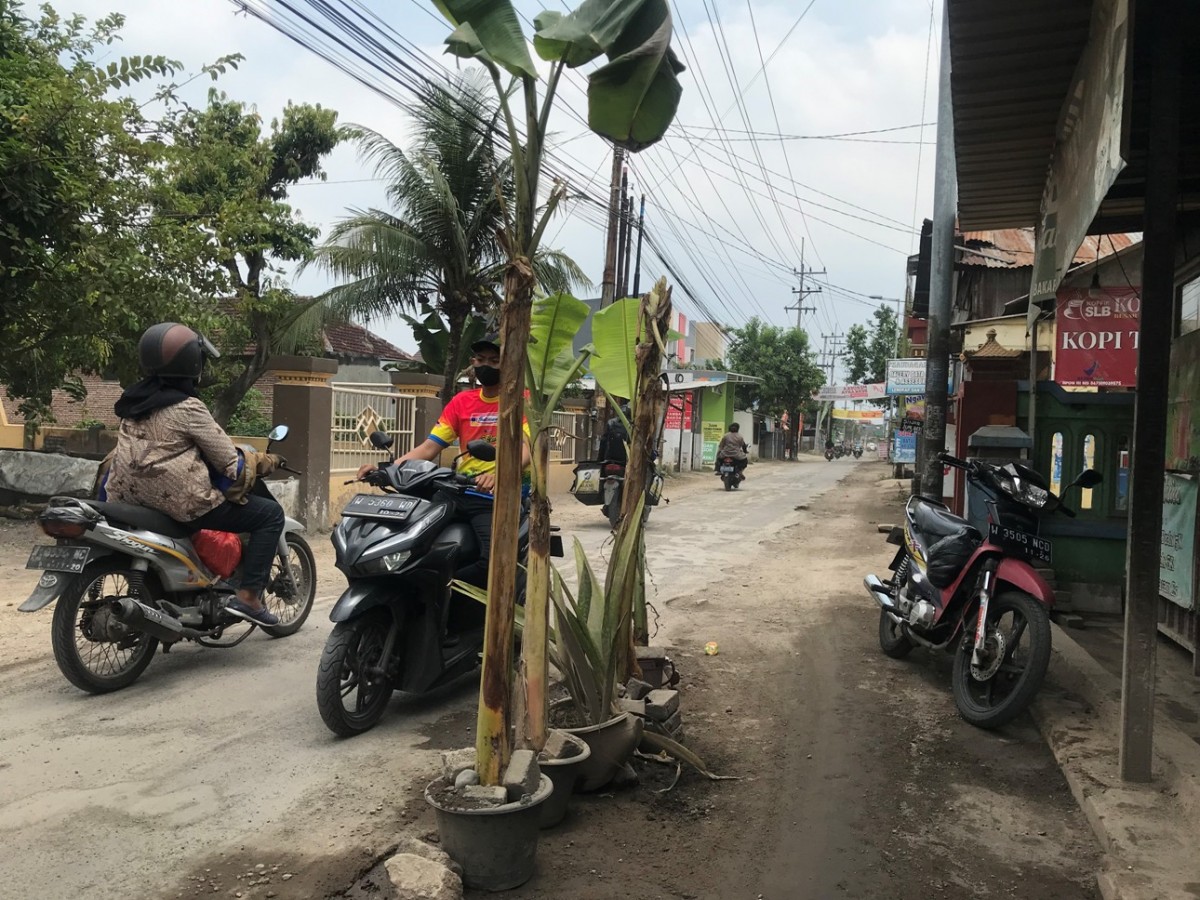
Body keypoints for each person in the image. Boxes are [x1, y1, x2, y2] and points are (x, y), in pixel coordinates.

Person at [104, 323, 286, 626]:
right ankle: (249, 598)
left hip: (128, 501)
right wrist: (264, 461)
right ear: (192, 363)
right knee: (269, 515)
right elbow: (230, 463)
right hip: (181, 507)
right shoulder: (188, 407)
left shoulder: (133, 402)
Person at [357, 334, 530, 591]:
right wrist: (388, 469)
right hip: (459, 489)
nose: (487, 366)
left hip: (495, 496)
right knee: (412, 545)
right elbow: (429, 448)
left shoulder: (520, 400)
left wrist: (501, 476)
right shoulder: (462, 402)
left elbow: (526, 450)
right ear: (473, 362)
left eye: (495, 361)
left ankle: (455, 595)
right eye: (481, 360)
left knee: (492, 561)